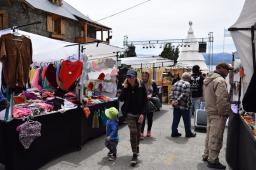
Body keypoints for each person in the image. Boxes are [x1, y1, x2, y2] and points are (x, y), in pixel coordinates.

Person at [202, 63, 232, 169]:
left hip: (210, 111)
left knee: (210, 135)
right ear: (220, 69)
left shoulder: (208, 79)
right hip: (218, 113)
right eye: (227, 69)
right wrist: (225, 113)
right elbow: (222, 100)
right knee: (216, 136)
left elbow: (205, 96)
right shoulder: (220, 81)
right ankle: (213, 160)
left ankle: (206, 155)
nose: (228, 72)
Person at [118, 69, 147, 166]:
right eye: (128, 77)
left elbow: (145, 101)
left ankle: (136, 146)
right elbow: (121, 99)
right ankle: (134, 154)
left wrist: (142, 114)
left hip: (139, 114)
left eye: (131, 77)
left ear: (135, 77)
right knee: (133, 132)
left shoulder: (141, 86)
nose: (129, 79)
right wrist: (124, 88)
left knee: (138, 133)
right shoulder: (126, 87)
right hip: (129, 114)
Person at [170, 72, 196, 138]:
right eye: (190, 79)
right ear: (188, 78)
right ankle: (188, 133)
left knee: (175, 120)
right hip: (184, 105)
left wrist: (173, 101)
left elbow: (172, 93)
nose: (190, 80)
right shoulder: (187, 83)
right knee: (187, 121)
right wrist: (177, 101)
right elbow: (185, 94)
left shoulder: (176, 83)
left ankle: (174, 132)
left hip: (176, 106)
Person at [140, 71, 160, 139]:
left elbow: (156, 92)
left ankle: (149, 131)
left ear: (149, 76)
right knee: (142, 118)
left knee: (150, 118)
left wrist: (151, 95)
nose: (144, 77)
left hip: (150, 103)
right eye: (143, 76)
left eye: (146, 76)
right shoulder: (140, 83)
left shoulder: (152, 83)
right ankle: (141, 133)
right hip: (142, 103)